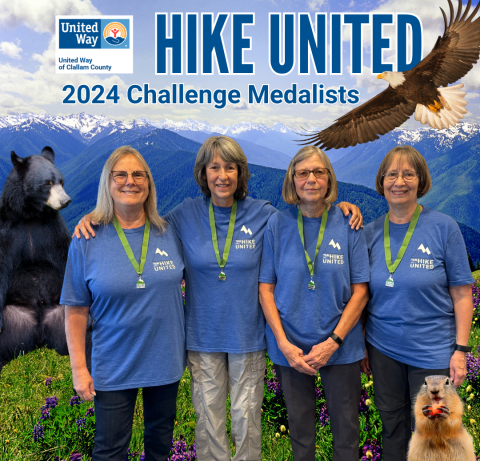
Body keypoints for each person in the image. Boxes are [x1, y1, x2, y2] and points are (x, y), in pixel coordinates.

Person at [74, 136, 363, 461]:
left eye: (230, 167)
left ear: (240, 174)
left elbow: (305, 216)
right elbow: (141, 225)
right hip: (202, 339)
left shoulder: (263, 215)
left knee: (247, 425)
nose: (222, 175)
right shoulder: (184, 215)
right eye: (214, 167)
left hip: (248, 338)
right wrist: (96, 217)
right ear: (203, 173)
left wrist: (340, 208)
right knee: (209, 429)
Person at [61, 146, 185, 461]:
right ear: (108, 183)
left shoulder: (171, 232)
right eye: (121, 175)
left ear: (149, 184)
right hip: (114, 365)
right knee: (110, 450)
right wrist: (78, 368)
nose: (130, 181)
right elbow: (75, 309)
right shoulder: (86, 240)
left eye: (138, 174)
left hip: (165, 363)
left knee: (160, 446)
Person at [361, 145, 474, 461]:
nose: (399, 181)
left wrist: (461, 351)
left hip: (433, 354)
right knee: (392, 427)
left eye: (408, 174)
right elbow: (361, 295)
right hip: (383, 352)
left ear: (420, 180)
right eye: (392, 174)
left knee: (435, 433)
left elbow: (463, 294)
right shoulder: (369, 233)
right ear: (381, 181)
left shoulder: (443, 227)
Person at [258, 145, 370, 461]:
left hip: (341, 347)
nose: (311, 179)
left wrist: (333, 343)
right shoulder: (277, 225)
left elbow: (360, 291)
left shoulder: (349, 223)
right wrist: (282, 343)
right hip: (290, 348)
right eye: (303, 172)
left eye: (319, 172)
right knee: (301, 435)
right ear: (293, 180)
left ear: (329, 179)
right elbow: (265, 289)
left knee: (347, 435)